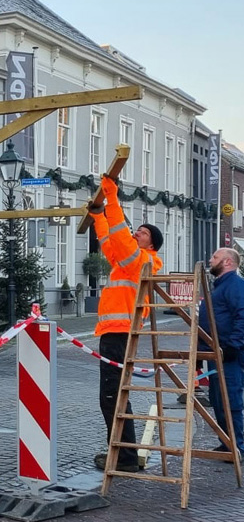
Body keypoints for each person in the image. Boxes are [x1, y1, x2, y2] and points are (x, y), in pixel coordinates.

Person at [88, 175, 163, 473]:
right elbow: (110, 242)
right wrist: (98, 219)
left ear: (151, 243)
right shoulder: (127, 262)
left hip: (120, 335)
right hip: (113, 334)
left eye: (142, 233)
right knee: (112, 398)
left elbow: (119, 234)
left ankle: (125, 458)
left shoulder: (143, 261)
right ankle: (121, 453)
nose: (136, 234)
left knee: (113, 397)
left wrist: (111, 196)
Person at [199, 248, 244, 457]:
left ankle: (237, 446)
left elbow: (242, 315)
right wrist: (201, 353)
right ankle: (227, 442)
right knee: (218, 399)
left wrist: (233, 346)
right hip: (214, 353)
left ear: (227, 262)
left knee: (230, 398)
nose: (210, 260)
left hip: (228, 354)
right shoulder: (219, 287)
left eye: (215, 257)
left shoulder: (235, 286)